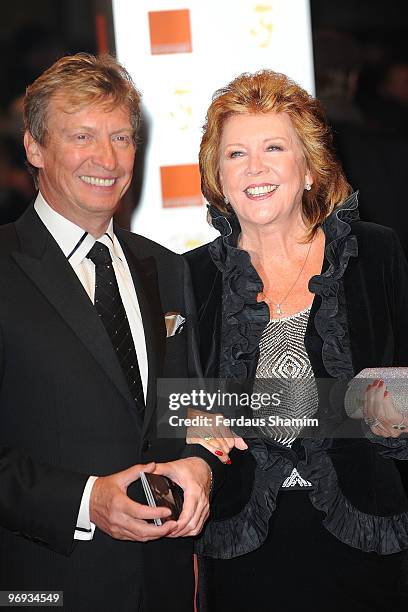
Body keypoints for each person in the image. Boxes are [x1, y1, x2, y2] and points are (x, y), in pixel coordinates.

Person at [0, 53, 224, 612]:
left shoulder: (169, 269)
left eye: (121, 137)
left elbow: (189, 405)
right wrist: (86, 501)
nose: (106, 158)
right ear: (34, 147)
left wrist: (198, 462)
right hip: (44, 587)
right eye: (82, 136)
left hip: (166, 585)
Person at [184, 69, 408, 611]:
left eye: (273, 147)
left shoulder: (374, 254)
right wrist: (191, 416)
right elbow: (173, 406)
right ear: (219, 175)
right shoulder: (190, 277)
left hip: (366, 543)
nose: (254, 168)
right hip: (243, 552)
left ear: (308, 167)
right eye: (235, 154)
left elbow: (397, 394)